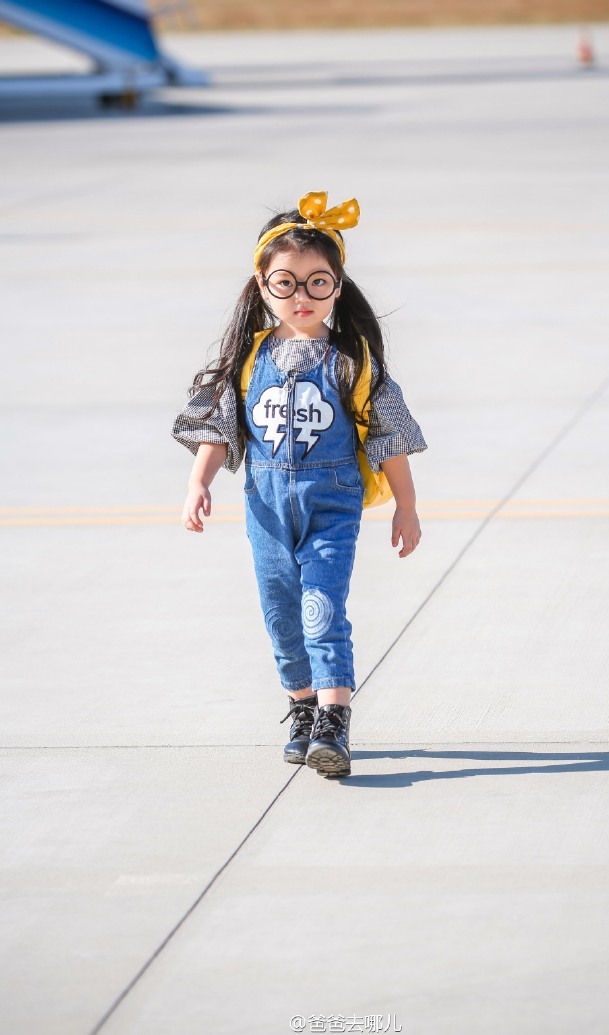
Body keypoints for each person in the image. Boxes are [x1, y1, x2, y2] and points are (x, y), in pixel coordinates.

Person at [172, 191, 426, 778]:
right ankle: (303, 706)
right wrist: (198, 482)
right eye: (286, 283)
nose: (302, 297)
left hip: (330, 505)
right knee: (281, 614)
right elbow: (220, 425)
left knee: (321, 606)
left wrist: (405, 508)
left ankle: (335, 720)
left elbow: (387, 436)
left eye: (318, 282)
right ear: (261, 285)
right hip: (265, 508)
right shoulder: (248, 355)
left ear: (338, 285)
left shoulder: (351, 357)